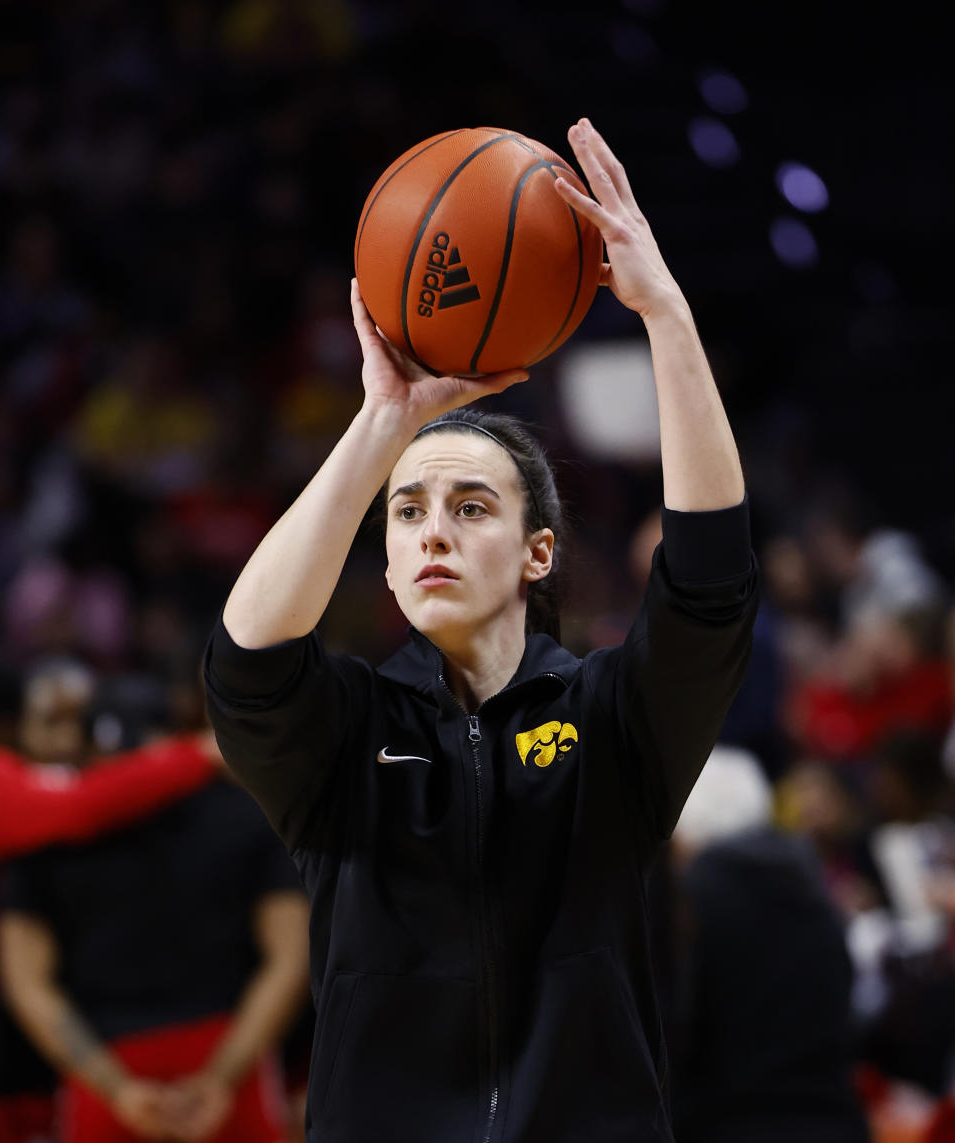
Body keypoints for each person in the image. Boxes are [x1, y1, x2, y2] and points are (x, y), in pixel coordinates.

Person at [203, 118, 759, 1142]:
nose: (433, 533)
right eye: (409, 513)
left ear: (537, 553)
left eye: (471, 507)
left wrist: (666, 316)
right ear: (384, 561)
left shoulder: (611, 719)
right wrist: (384, 426)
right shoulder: (345, 734)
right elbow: (247, 663)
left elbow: (711, 587)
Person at [0, 662, 311, 1143]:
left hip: (103, 1074)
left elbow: (26, 982)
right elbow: (291, 959)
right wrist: (220, 1078)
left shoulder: (49, 832)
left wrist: (114, 1086)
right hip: (230, 1066)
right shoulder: (244, 813)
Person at [668, 745, 870, 1143]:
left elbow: (677, 1027)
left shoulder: (696, 899)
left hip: (730, 1123)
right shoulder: (812, 885)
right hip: (834, 1121)